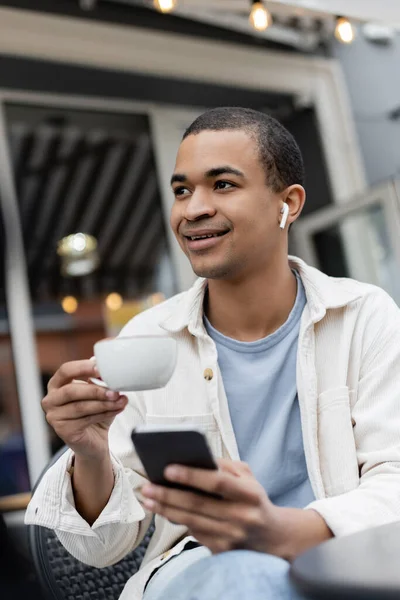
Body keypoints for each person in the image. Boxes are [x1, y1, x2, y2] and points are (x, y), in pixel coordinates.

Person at [26, 107, 400, 600]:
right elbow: (105, 548)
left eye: (222, 184)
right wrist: (90, 454)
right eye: (182, 190)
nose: (192, 209)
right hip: (199, 572)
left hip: (334, 559)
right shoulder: (147, 338)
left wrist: (283, 531)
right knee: (246, 578)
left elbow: (393, 481)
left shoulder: (363, 315)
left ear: (287, 204)